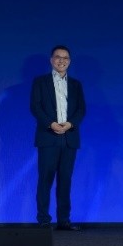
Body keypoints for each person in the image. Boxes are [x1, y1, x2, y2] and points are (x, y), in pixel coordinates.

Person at [31, 45, 86, 231]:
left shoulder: (76, 85)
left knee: (65, 181)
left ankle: (64, 220)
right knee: (45, 180)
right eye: (58, 57)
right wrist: (51, 124)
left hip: (69, 138)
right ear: (51, 60)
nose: (61, 60)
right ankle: (44, 220)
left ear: (69, 62)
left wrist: (70, 124)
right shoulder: (40, 82)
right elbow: (35, 107)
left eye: (65, 58)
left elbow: (81, 109)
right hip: (48, 137)